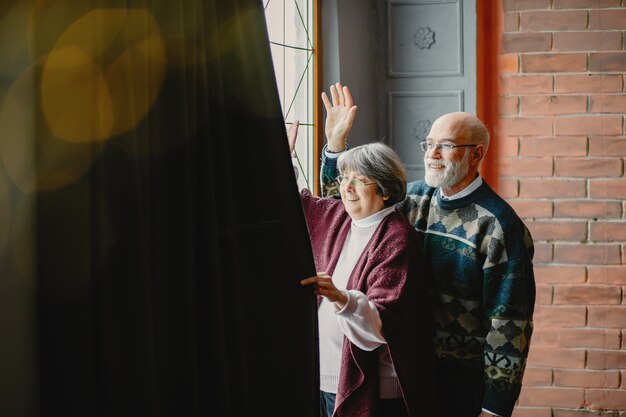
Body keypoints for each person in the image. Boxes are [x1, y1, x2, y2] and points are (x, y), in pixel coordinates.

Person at [318, 83, 536, 417]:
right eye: (429, 144)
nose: (431, 155)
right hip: (405, 370)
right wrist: (335, 145)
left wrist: (495, 406)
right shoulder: (413, 199)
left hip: (459, 382)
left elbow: (509, 324)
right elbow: (341, 210)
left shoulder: (498, 226)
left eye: (445, 146)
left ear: (476, 153)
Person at [288, 122, 435, 417]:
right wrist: (282, 161)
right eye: (345, 178)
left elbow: (382, 324)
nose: (347, 187)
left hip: (376, 390)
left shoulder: (396, 237)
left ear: (384, 191)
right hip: (322, 376)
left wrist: (341, 298)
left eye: (360, 180)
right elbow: (295, 203)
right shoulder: (339, 216)